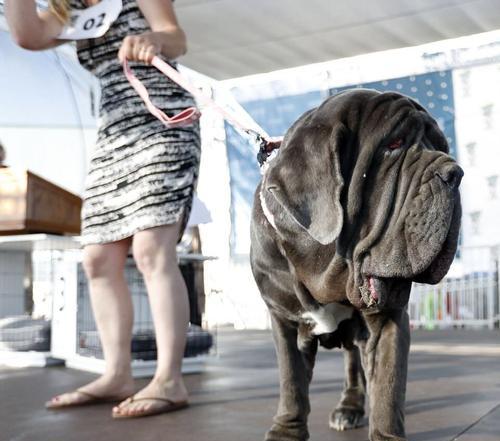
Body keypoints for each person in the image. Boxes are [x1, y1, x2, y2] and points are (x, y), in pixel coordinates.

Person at [5, 0, 200, 418]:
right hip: (113, 129)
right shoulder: (69, 7)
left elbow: (176, 36)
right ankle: (118, 374)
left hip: (162, 117)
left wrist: (154, 39)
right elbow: (27, 35)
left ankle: (169, 379)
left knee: (150, 250)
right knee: (96, 258)